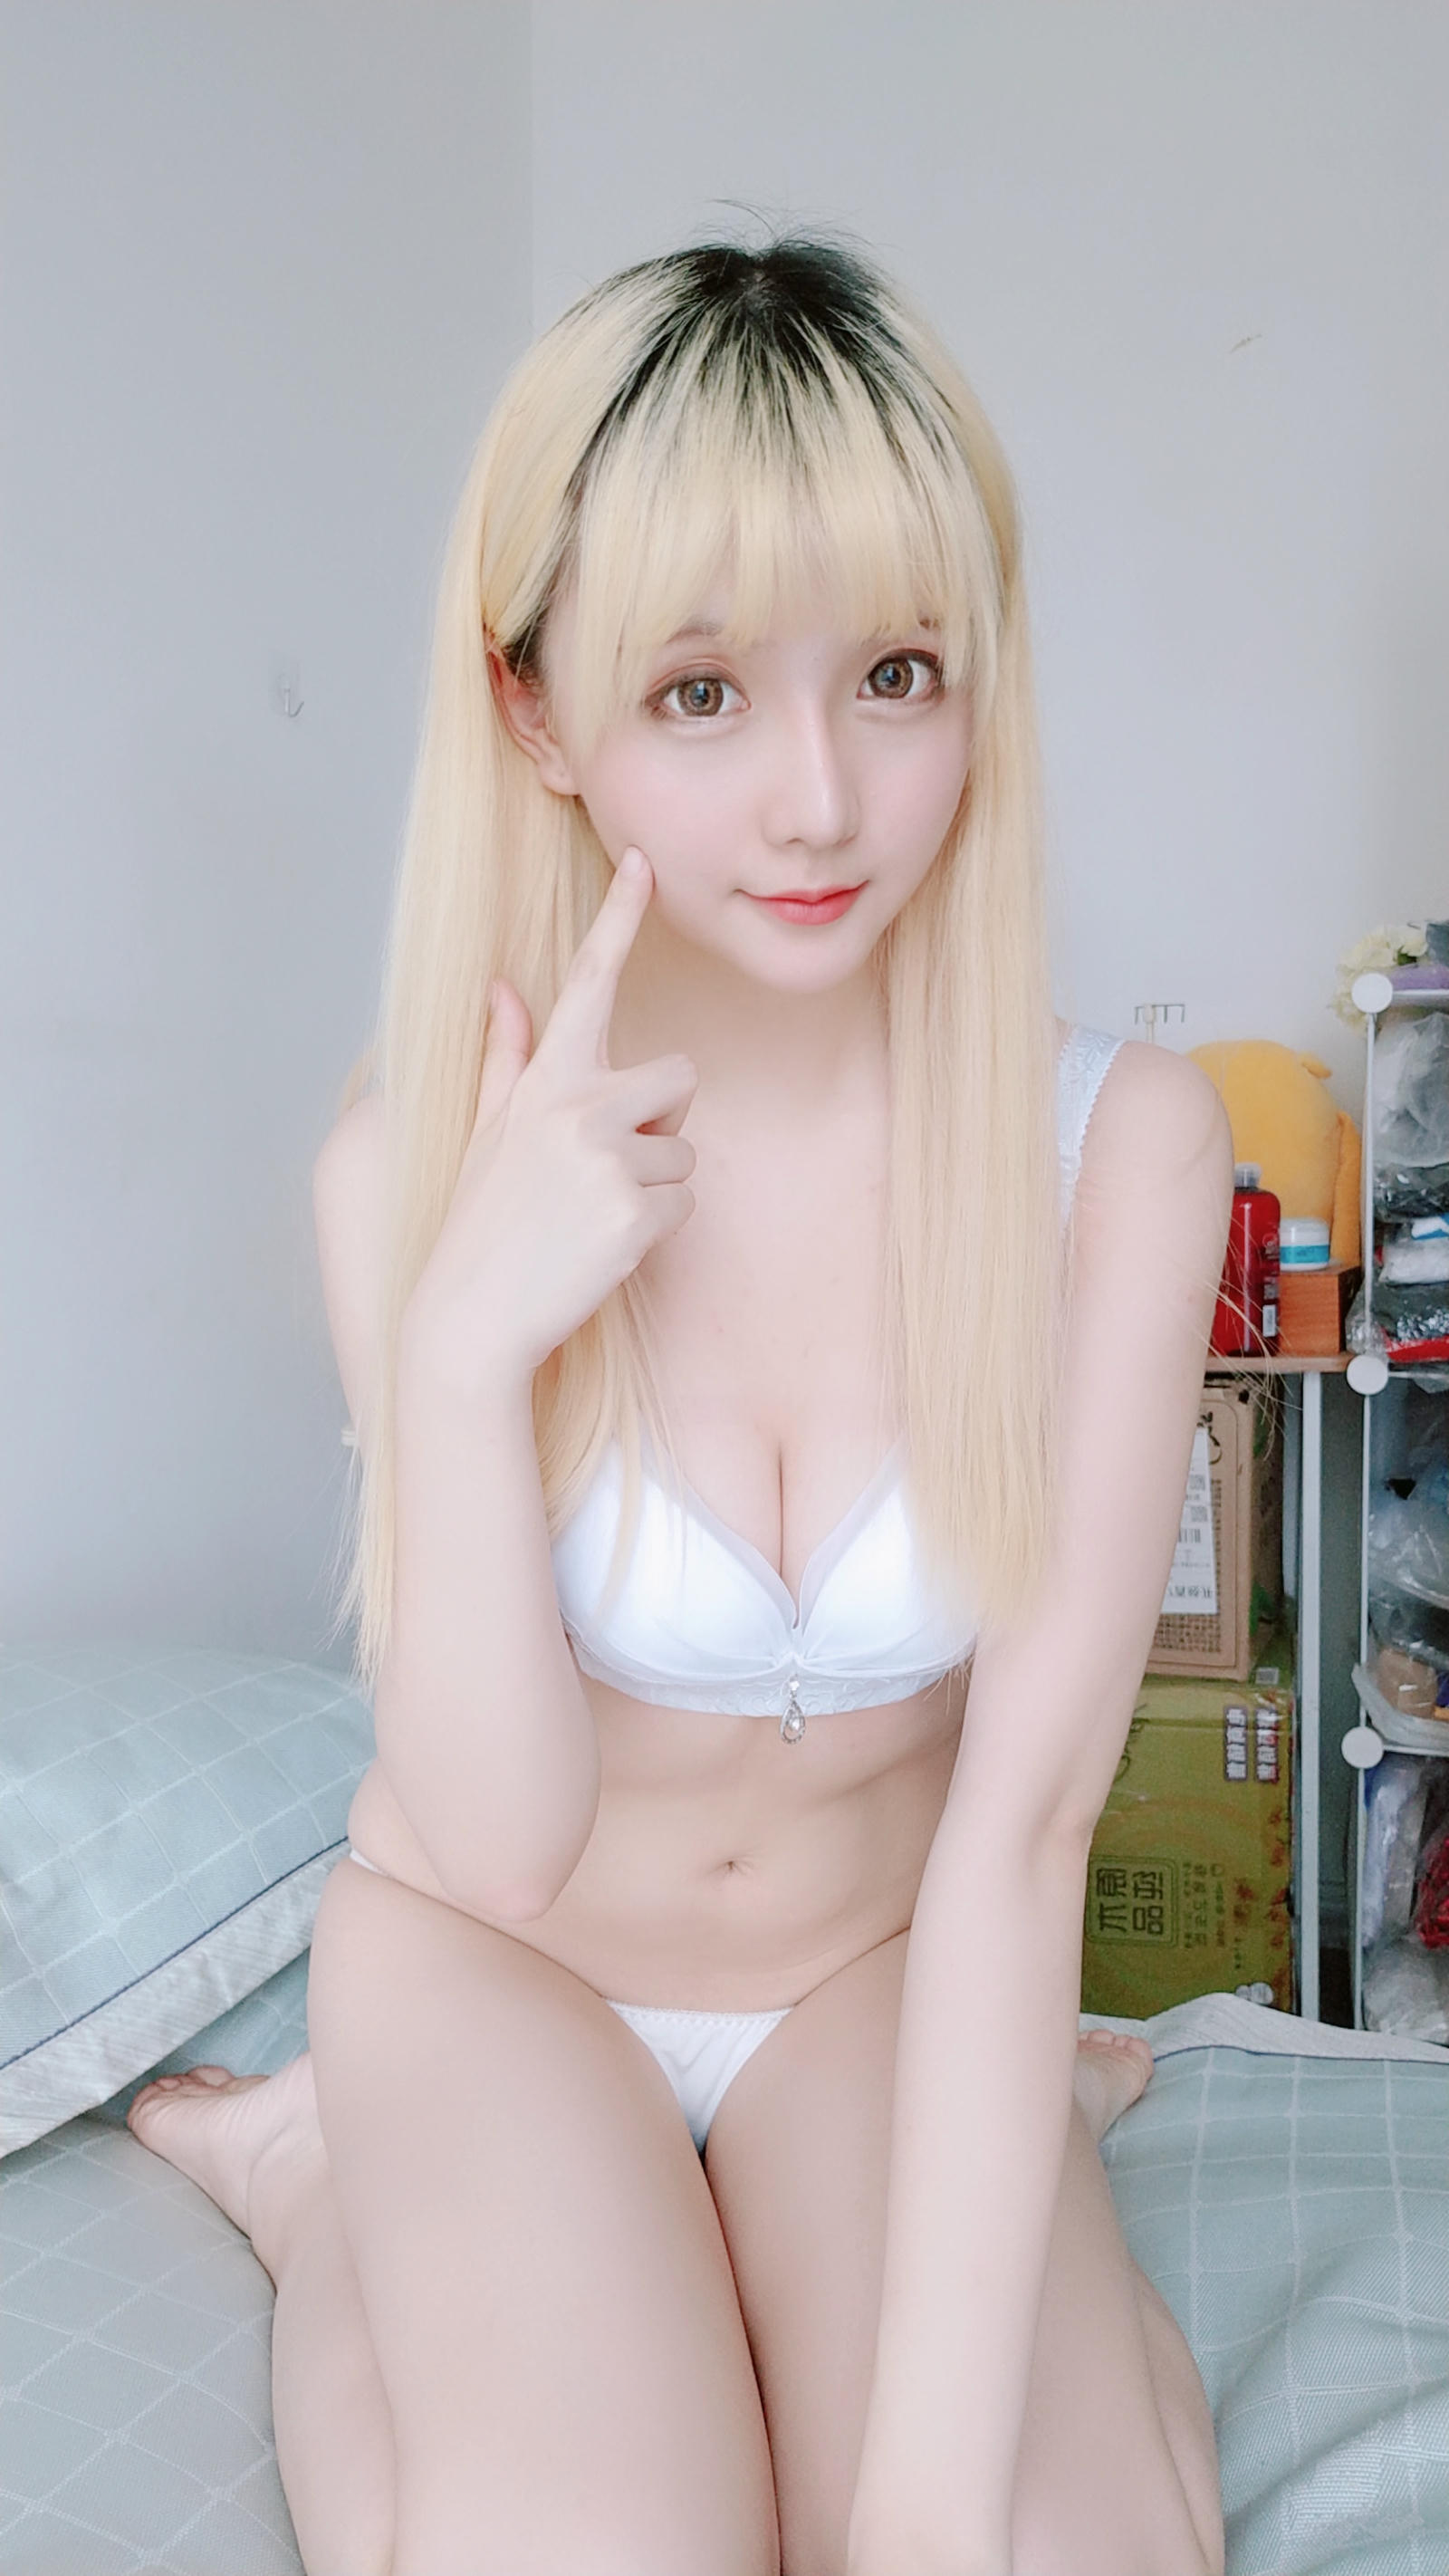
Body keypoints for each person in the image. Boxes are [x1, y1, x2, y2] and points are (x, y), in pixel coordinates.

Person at [126, 234, 1232, 2576]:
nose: (822, 799)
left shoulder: (1118, 1154)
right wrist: (462, 1347)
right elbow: (505, 1833)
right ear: (537, 712)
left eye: (897, 675)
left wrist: (924, 2509)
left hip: (877, 1968)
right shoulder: (409, 1166)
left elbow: (1026, 1829)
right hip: (504, 1961)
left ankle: (1040, 2128)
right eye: (703, 690)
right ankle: (320, 2172)